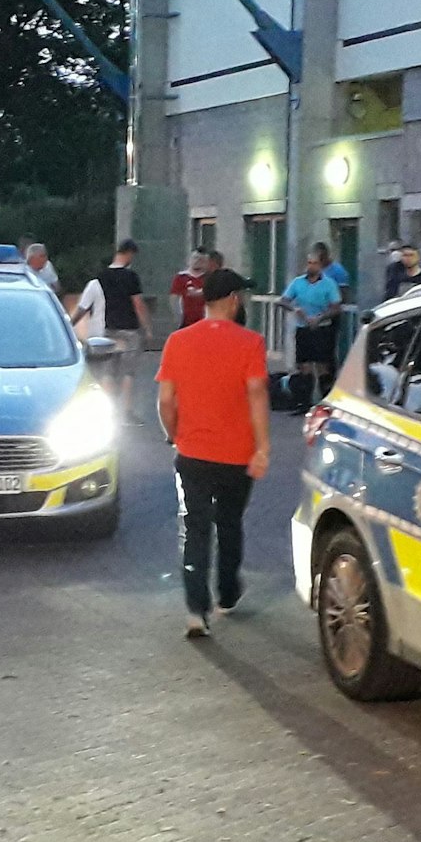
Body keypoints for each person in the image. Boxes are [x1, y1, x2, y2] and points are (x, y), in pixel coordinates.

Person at [156, 268, 270, 638]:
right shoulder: (251, 342)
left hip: (192, 452)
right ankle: (227, 593)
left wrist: (174, 435)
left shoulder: (178, 341)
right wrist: (263, 447)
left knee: (195, 528)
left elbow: (166, 400)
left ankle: (195, 609)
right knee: (230, 522)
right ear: (234, 300)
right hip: (237, 455)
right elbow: (256, 395)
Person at [70, 240, 152, 419]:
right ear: (129, 254)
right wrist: (146, 328)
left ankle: (108, 410)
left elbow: (82, 308)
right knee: (128, 372)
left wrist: (68, 326)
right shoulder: (131, 277)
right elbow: (138, 304)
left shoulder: (97, 280)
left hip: (107, 331)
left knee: (107, 371)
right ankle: (127, 411)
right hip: (129, 331)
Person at [278, 252, 342, 413]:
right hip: (303, 327)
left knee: (323, 366)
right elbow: (283, 301)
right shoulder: (298, 282)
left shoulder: (329, 284)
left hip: (322, 329)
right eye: (308, 263)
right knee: (303, 366)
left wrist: (320, 318)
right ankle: (303, 403)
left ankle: (327, 403)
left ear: (320, 266)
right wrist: (295, 309)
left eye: (314, 263)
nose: (310, 266)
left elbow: (336, 307)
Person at [170, 248, 210, 328]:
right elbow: (174, 298)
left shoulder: (210, 278)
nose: (197, 261)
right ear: (189, 260)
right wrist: (177, 318)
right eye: (195, 258)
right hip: (185, 322)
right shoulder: (181, 277)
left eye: (201, 259)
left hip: (204, 322)